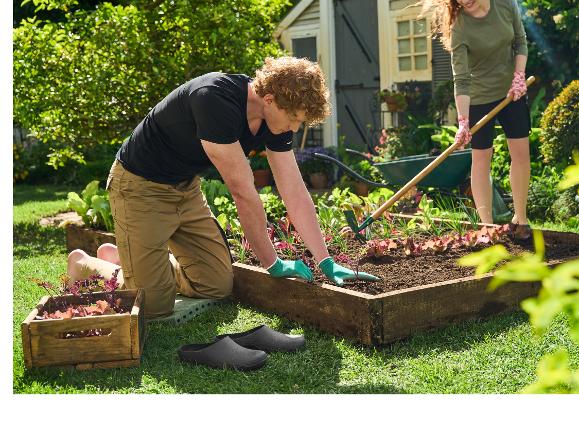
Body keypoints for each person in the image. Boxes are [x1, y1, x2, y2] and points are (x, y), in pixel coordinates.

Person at [68, 56, 378, 319]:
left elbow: (295, 192)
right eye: (295, 119)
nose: (295, 129)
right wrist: (271, 262)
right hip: (139, 186)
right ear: (269, 100)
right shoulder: (214, 100)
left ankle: (133, 261)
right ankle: (88, 264)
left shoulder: (274, 119)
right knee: (154, 306)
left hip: (185, 188)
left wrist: (326, 260)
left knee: (216, 284)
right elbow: (244, 194)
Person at [425, 0, 531, 239]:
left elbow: (519, 41)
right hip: (479, 99)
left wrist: (518, 76)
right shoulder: (459, 24)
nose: (464, 0)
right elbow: (461, 77)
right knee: (481, 159)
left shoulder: (505, 1)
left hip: (512, 93)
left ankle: (520, 218)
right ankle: (487, 226)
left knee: (520, 154)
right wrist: (462, 121)